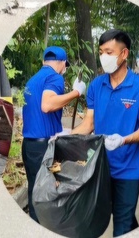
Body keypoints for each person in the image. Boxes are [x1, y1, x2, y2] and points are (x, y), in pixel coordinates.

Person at [73, 30, 139, 237]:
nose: (103, 57)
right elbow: (88, 123)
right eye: (101, 52)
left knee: (121, 227)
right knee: (102, 218)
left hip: (128, 170)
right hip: (100, 168)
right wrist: (65, 137)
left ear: (124, 53)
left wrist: (123, 140)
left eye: (109, 52)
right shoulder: (96, 85)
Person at [21, 46, 86, 222]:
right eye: (65, 65)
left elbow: (38, 113)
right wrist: (76, 92)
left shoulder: (33, 80)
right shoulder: (55, 77)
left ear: (44, 61)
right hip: (42, 148)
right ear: (62, 63)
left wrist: (60, 131)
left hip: (28, 145)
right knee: (46, 195)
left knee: (35, 191)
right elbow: (47, 105)